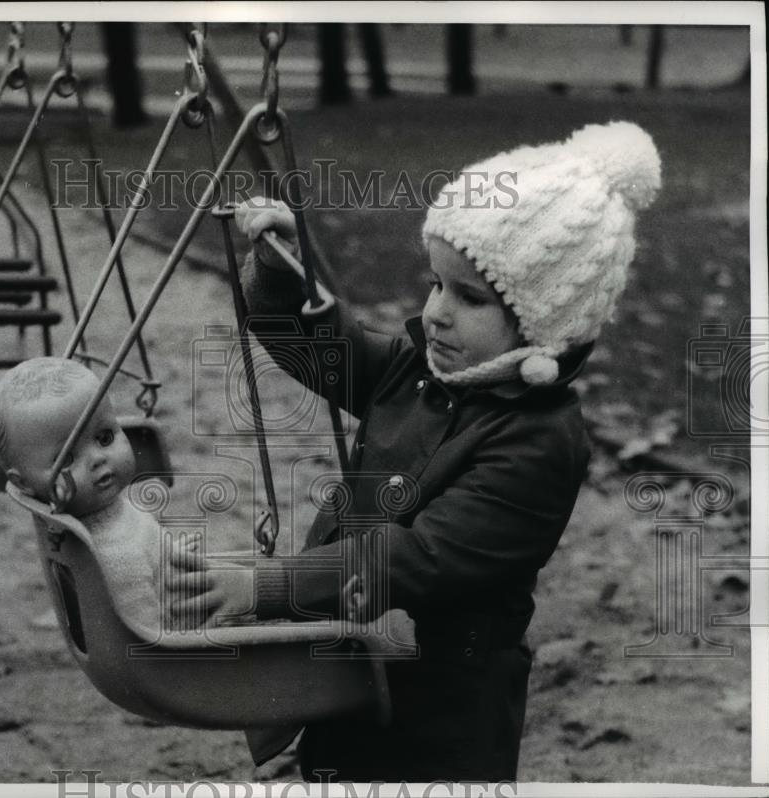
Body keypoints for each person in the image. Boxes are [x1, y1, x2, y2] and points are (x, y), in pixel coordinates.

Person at [166, 121, 662, 781]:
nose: (436, 312)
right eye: (436, 283)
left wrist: (268, 585)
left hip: (443, 711)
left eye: (469, 297)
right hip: (349, 663)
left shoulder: (539, 443)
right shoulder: (419, 371)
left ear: (546, 324)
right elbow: (323, 351)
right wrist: (283, 266)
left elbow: (418, 557)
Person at [0, 356, 191, 641]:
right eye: (66, 459)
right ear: (24, 483)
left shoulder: (109, 513)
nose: (97, 459)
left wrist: (170, 554)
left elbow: (145, 547)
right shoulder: (115, 559)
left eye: (105, 438)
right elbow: (154, 640)